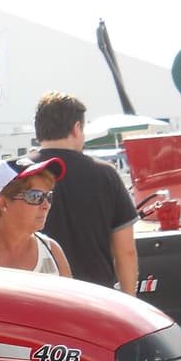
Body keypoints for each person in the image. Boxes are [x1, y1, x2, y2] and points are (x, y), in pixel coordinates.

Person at [32, 92, 138, 293]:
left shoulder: (18, 172)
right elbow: (126, 252)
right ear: (76, 128)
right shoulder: (106, 174)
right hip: (95, 298)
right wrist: (130, 302)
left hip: (35, 296)